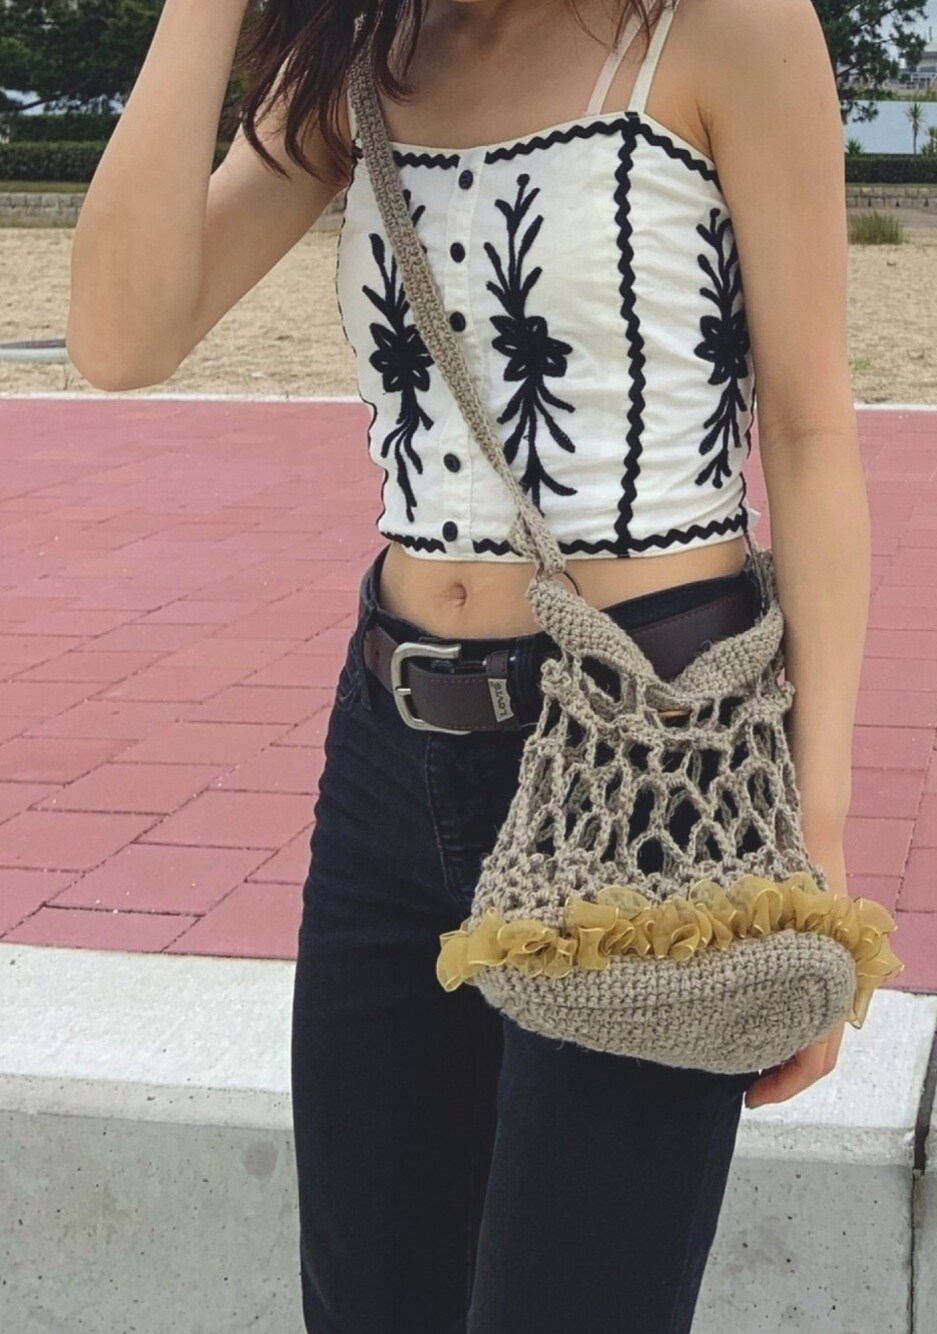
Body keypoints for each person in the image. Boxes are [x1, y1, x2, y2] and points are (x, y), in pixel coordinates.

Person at [66, 0, 870, 1329]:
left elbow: (811, 429)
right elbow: (119, 337)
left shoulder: (726, 27)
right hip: (393, 761)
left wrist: (816, 839)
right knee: (368, 1302)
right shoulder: (363, 52)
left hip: (651, 766)